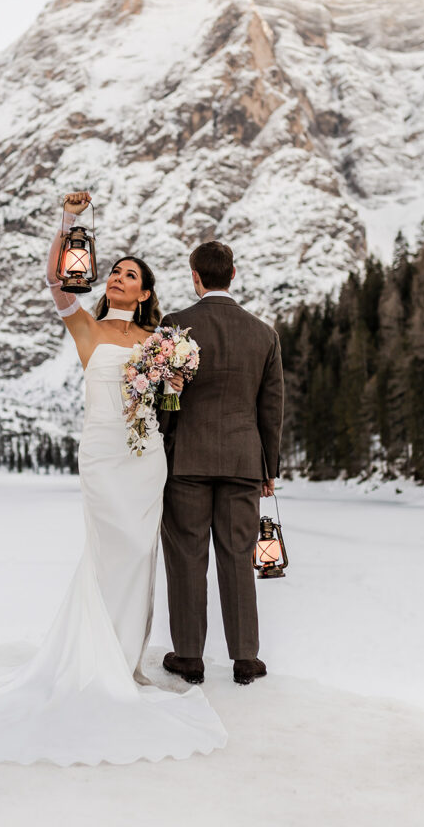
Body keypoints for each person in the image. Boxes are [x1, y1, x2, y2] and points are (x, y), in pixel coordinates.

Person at [0, 191, 227, 766]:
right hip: (103, 454)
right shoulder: (87, 328)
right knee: (106, 552)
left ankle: (125, 661)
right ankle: (95, 661)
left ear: (145, 292)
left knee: (140, 553)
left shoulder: (161, 342)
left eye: (129, 275)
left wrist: (169, 376)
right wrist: (70, 225)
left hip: (145, 460)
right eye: (114, 271)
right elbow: (56, 281)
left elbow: (174, 398)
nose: (116, 278)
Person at [159, 240, 284, 687]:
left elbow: (165, 399)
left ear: (195, 276)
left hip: (187, 461)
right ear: (233, 275)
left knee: (187, 557)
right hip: (243, 461)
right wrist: (268, 467)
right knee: (236, 556)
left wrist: (166, 446)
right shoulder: (263, 334)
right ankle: (245, 658)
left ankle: (190, 657)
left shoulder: (176, 326)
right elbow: (271, 408)